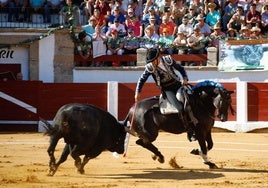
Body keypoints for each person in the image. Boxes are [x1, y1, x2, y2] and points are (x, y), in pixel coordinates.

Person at [134, 48, 196, 142]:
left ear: (159, 57)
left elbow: (180, 68)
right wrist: (137, 92)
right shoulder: (150, 67)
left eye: (153, 60)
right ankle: (189, 131)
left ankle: (196, 125)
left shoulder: (167, 60)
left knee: (191, 101)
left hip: (178, 85)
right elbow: (142, 79)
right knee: (179, 108)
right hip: (167, 90)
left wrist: (185, 77)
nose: (152, 63)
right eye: (150, 61)